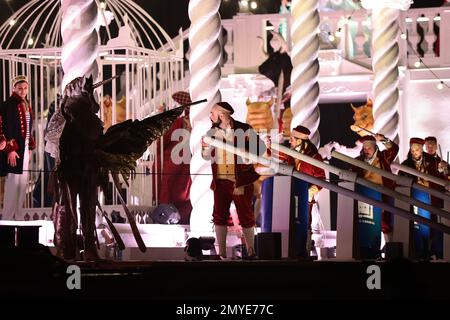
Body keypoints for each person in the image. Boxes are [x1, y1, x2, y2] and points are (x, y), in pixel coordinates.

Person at [201, 102, 265, 259]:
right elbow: (205, 156)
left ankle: (251, 251)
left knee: (246, 216)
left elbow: (260, 149)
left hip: (240, 181)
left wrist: (248, 153)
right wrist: (205, 147)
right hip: (221, 181)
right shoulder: (212, 132)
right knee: (219, 215)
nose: (210, 116)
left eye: (212, 113)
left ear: (221, 115)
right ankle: (221, 253)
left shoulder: (244, 129)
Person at [352, 134, 399, 254]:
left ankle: (390, 251)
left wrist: (383, 139)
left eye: (369, 147)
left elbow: (394, 149)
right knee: (367, 223)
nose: (366, 150)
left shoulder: (383, 157)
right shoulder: (358, 160)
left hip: (383, 195)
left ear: (375, 147)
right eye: (365, 148)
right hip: (365, 196)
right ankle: (368, 251)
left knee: (385, 224)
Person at [400, 137, 444, 259]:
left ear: (421, 149)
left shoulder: (433, 161)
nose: (414, 152)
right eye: (412, 150)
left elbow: (443, 175)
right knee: (418, 226)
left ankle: (434, 252)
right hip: (415, 198)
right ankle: (420, 251)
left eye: (417, 149)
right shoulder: (406, 164)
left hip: (433, 198)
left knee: (435, 226)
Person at [0, 75, 36, 220]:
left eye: (25, 88)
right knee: (12, 183)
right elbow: (4, 127)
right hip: (14, 149)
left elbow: (28, 128)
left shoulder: (26, 103)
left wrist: (29, 147)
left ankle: (19, 215)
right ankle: (7, 218)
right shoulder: (9, 104)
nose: (23, 91)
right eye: (20, 88)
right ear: (14, 88)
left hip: (24, 148)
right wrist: (10, 150)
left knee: (22, 183)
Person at [157, 91, 193, 224]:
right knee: (170, 190)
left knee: (188, 194)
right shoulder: (176, 123)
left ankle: (181, 219)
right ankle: (168, 216)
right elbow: (161, 144)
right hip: (174, 163)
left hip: (188, 164)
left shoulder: (200, 125)